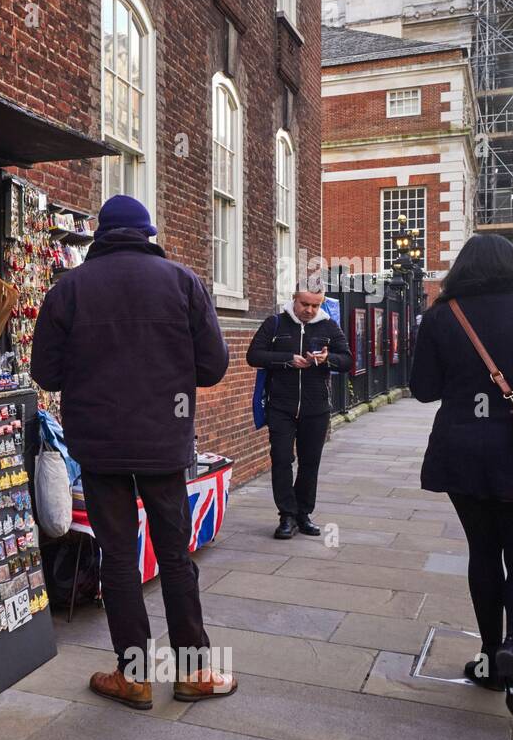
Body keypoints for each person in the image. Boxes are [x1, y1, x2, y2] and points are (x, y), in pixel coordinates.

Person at [31, 195, 235, 710]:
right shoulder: (183, 282)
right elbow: (212, 368)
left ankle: (135, 676)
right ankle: (194, 673)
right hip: (165, 444)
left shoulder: (69, 287)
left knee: (118, 557)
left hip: (99, 448)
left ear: (101, 234)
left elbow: (46, 374)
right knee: (174, 555)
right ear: (148, 232)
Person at [409, 233, 513, 725]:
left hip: (461, 451)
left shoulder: (443, 315)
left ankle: (488, 658)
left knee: (483, 552)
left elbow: (423, 390)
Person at [246, 289, 352, 539]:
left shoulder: (329, 326)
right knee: (281, 459)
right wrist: (286, 360)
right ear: (294, 299)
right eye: (305, 304)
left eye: (315, 306)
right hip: (281, 406)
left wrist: (327, 359)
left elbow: (347, 360)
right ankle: (286, 515)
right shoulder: (275, 323)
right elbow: (254, 356)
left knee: (309, 463)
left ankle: (303, 513)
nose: (310, 310)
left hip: (316, 408)